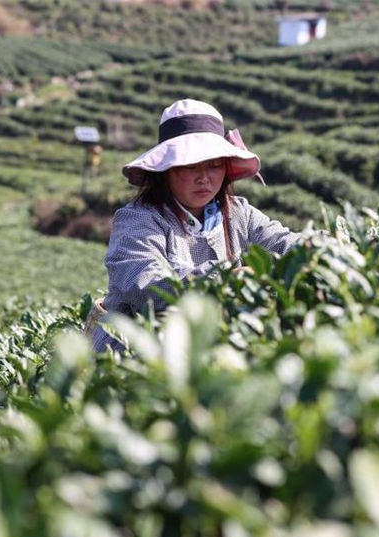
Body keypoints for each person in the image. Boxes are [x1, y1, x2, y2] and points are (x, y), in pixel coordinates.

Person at [90, 99, 301, 352]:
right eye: (190, 166)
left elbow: (286, 245)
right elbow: (145, 285)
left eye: (214, 166)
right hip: (135, 352)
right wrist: (222, 278)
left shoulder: (238, 214)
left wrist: (330, 248)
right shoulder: (138, 220)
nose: (204, 178)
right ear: (165, 170)